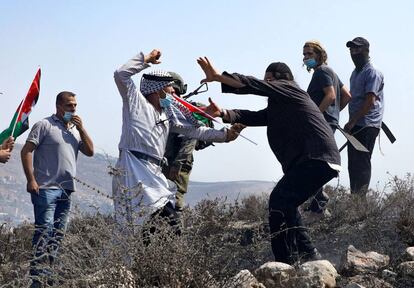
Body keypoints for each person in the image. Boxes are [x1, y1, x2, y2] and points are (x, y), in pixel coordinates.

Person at [197, 56, 340, 264]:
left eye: (269, 81)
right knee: (286, 204)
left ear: (281, 80)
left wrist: (219, 77)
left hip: (316, 158)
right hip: (315, 160)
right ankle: (306, 256)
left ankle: (286, 262)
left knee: (279, 201)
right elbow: (257, 117)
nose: (267, 85)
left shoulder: (291, 89)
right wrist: (224, 114)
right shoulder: (282, 105)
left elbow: (254, 84)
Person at [112, 49, 244, 230]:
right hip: (133, 168)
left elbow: (196, 132)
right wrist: (145, 59)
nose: (173, 91)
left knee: (163, 222)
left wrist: (225, 135)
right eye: (169, 87)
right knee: (139, 225)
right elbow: (121, 75)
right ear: (157, 89)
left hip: (154, 173)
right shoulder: (135, 102)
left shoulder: (167, 115)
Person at [21, 91, 94, 287]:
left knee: (58, 235)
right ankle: (37, 280)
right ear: (59, 106)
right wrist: (31, 180)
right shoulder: (44, 125)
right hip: (45, 189)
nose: (74, 109)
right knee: (44, 233)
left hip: (66, 190)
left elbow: (90, 151)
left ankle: (49, 278)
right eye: (70, 105)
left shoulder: (72, 131)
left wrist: (82, 129)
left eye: (75, 105)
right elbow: (26, 151)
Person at [302, 40, 352, 213]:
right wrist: (334, 115)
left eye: (309, 54)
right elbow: (346, 95)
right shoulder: (330, 72)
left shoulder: (321, 71)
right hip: (328, 123)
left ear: (319, 54)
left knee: (314, 160)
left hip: (320, 124)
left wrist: (318, 116)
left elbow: (330, 96)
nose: (306, 57)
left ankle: (319, 203)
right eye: (304, 54)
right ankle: (317, 201)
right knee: (318, 160)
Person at [162, 72, 215, 213]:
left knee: (173, 206)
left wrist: (177, 166)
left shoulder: (187, 111)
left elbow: (190, 141)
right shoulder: (163, 109)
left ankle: (173, 234)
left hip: (176, 167)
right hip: (160, 164)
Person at [344, 37, 384, 195]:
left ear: (366, 50)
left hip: (367, 125)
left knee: (361, 163)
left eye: (357, 49)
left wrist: (353, 121)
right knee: (353, 164)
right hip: (355, 125)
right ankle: (354, 198)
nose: (354, 52)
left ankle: (359, 202)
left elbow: (370, 101)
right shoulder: (355, 73)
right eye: (352, 50)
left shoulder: (372, 72)